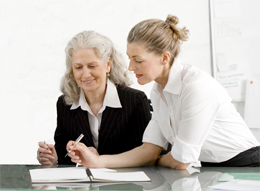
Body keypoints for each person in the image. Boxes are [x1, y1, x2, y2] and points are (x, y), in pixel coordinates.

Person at [67, 15, 260, 169]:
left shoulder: (196, 88)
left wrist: (157, 161)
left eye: (138, 60)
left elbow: (181, 160)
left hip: (248, 166)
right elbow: (150, 150)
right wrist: (97, 161)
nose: (130, 67)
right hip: (214, 169)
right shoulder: (159, 91)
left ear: (164, 58)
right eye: (129, 58)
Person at [37, 31, 151, 165]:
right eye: (78, 67)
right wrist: (54, 159)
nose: (85, 74)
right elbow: (65, 158)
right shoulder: (65, 104)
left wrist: (98, 159)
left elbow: (147, 157)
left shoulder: (135, 101)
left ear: (108, 65)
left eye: (92, 66)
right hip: (85, 185)